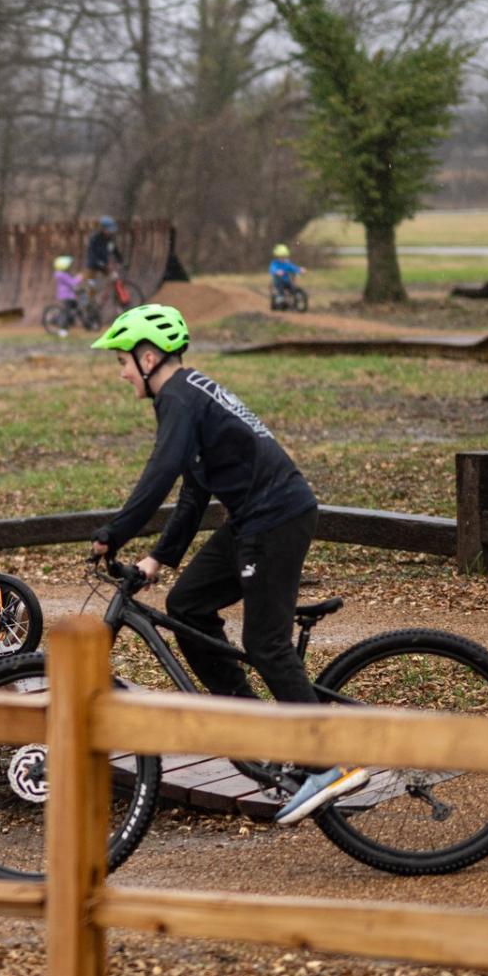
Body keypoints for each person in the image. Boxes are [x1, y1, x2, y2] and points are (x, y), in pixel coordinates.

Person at [84, 304, 366, 825]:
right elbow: (193, 493)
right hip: (253, 518)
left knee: (265, 643)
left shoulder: (179, 398)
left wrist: (114, 533)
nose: (122, 372)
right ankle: (253, 726)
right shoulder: (187, 394)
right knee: (187, 604)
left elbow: (160, 472)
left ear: (148, 357)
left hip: (275, 518)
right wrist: (156, 559)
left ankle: (325, 765)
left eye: (123, 361)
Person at [51, 255, 86, 336]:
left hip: (70, 296)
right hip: (66, 296)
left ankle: (86, 324)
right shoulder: (62, 275)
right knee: (67, 313)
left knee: (78, 309)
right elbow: (72, 282)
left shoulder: (62, 274)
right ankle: (63, 330)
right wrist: (80, 277)